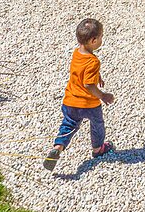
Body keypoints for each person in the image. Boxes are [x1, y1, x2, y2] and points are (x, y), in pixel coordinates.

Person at [44, 18, 114, 170]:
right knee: (97, 124)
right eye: (101, 37)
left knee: (68, 125)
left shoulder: (77, 53)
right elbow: (88, 84)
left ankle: (58, 147)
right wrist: (102, 95)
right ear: (93, 40)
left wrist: (98, 76)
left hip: (70, 101)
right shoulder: (94, 61)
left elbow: (81, 72)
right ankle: (98, 149)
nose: (102, 39)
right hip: (89, 104)